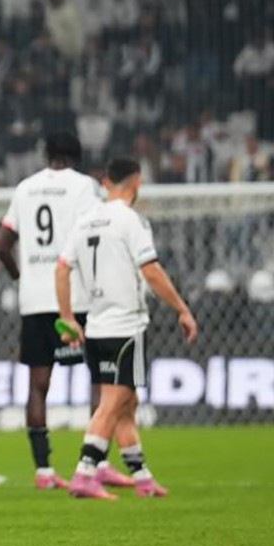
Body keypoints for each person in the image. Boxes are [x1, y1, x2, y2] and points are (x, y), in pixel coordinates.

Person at [0, 134, 136, 490]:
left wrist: (22, 278)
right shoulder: (85, 187)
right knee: (100, 379)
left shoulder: (25, 188)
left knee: (38, 385)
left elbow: (2, 246)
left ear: (46, 154)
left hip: (34, 299)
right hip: (76, 297)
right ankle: (95, 464)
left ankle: (44, 471)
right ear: (77, 155)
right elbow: (94, 236)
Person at [57, 158, 196, 499]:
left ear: (106, 183)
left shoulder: (85, 220)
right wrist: (182, 309)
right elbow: (151, 271)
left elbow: (61, 269)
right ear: (137, 183)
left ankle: (142, 477)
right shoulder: (130, 220)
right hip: (125, 327)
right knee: (111, 404)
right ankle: (85, 473)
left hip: (96, 326)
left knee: (126, 404)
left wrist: (68, 317)